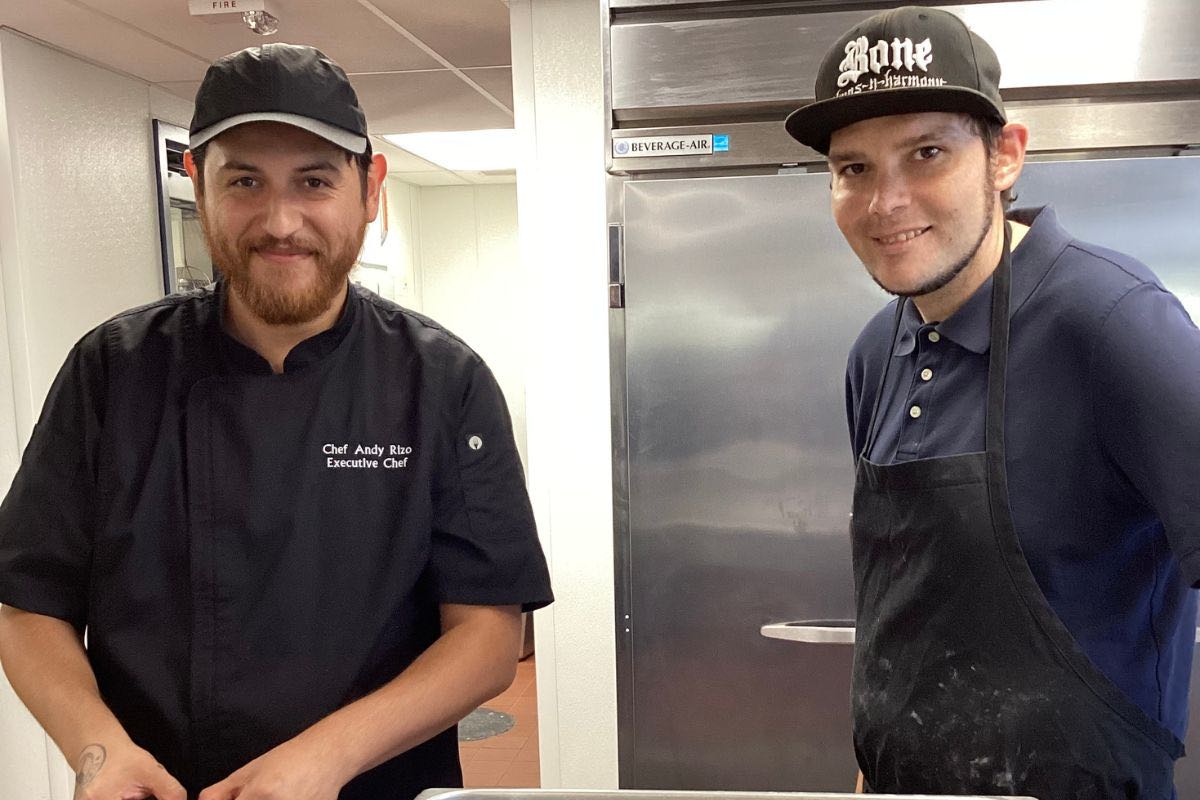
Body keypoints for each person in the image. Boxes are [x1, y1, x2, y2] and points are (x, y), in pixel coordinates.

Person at [0, 43, 552, 800]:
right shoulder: (113, 371)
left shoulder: (442, 382)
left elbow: (489, 638)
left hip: (375, 786)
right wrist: (99, 752)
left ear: (370, 189)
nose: (280, 220)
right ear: (198, 183)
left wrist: (327, 755)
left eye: (314, 181)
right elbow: (27, 607)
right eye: (246, 181)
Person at [785, 6, 1200, 798]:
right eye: (854, 169)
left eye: (927, 153)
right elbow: (901, 611)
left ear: (1005, 156)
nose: (885, 202)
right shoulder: (876, 350)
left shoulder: (1112, 323)